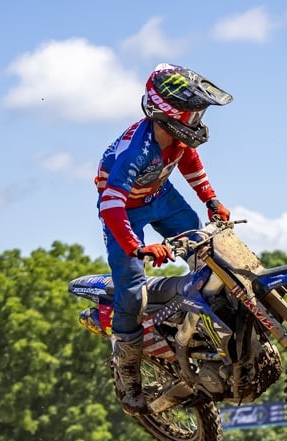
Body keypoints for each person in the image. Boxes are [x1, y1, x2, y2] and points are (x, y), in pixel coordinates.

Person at [96, 63, 233, 412]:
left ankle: (203, 325)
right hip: (125, 211)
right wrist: (138, 248)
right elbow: (110, 204)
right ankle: (127, 371)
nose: (197, 121)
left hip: (160, 195)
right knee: (131, 292)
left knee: (206, 247)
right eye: (192, 114)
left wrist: (211, 200)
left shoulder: (177, 138)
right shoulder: (137, 151)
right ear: (167, 114)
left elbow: (189, 162)